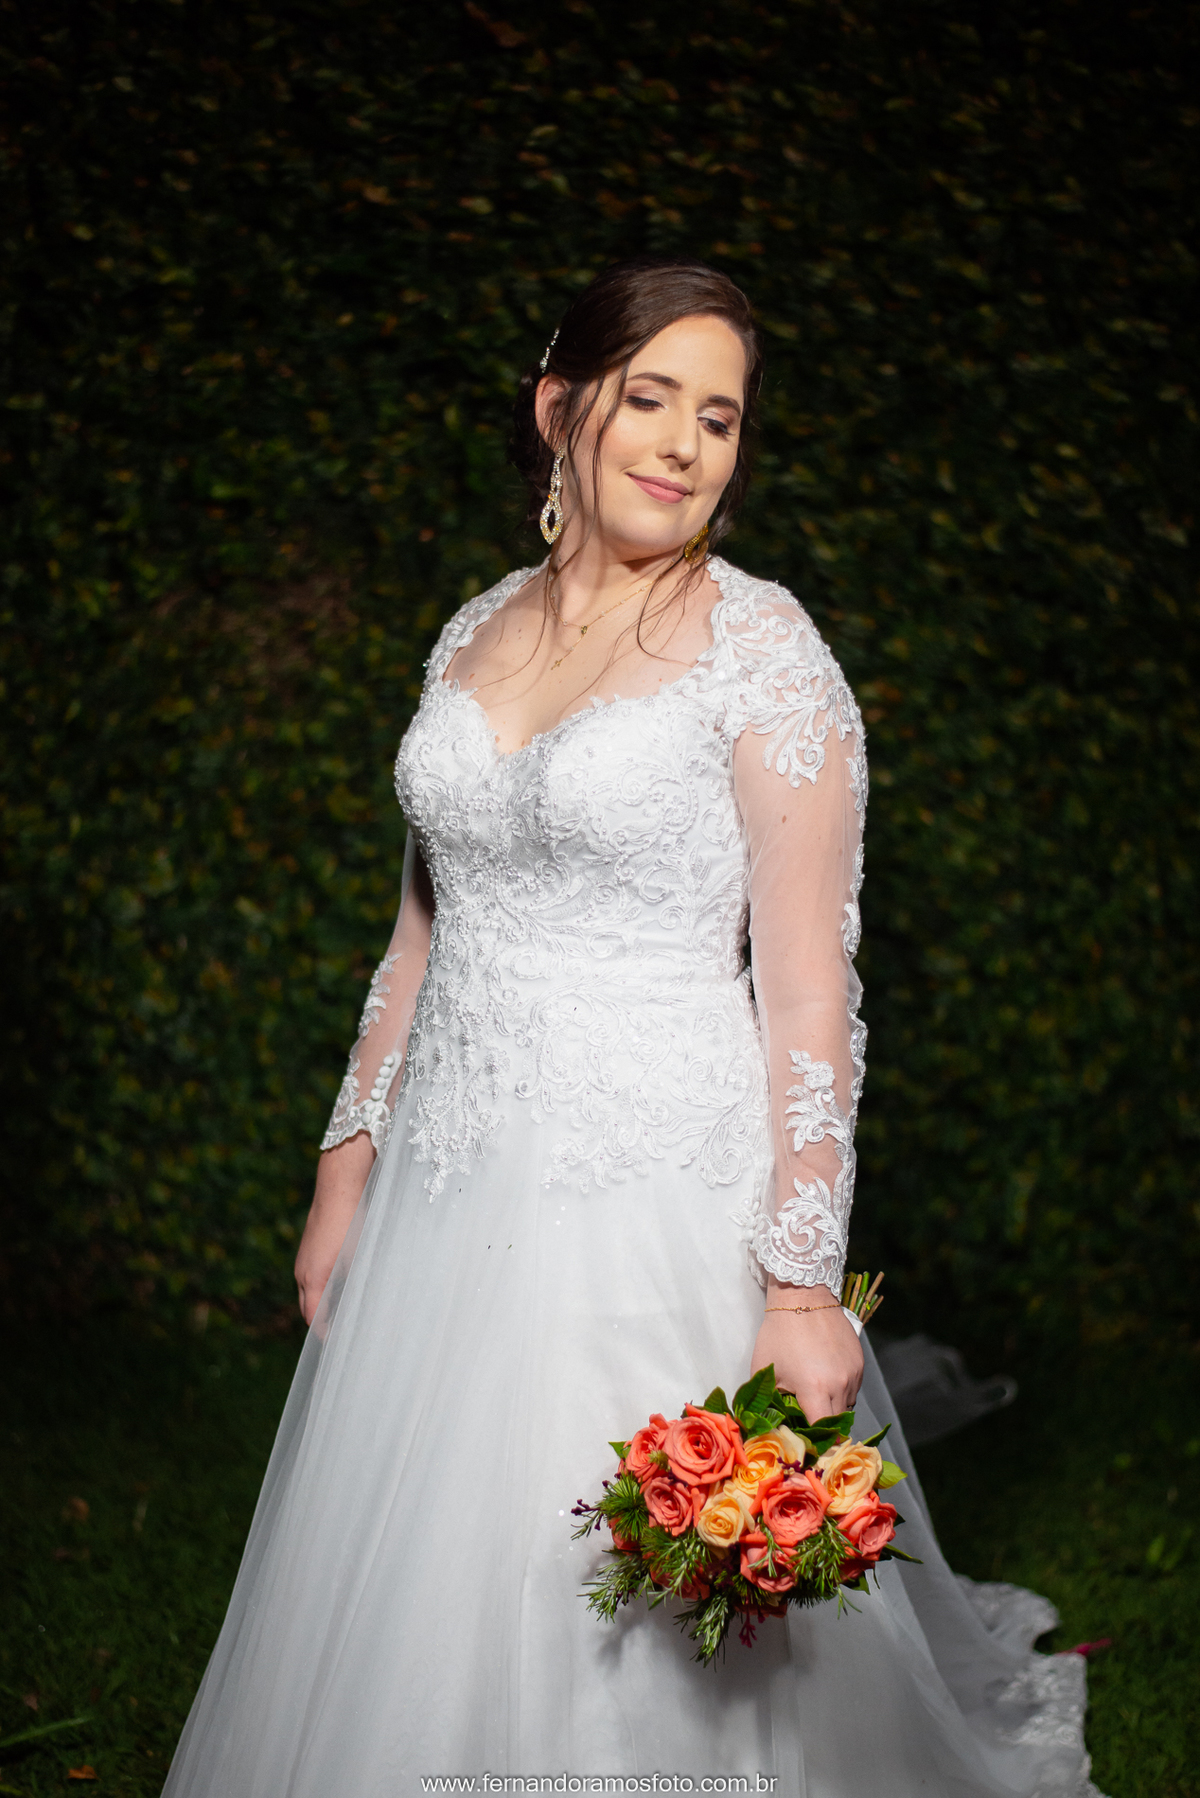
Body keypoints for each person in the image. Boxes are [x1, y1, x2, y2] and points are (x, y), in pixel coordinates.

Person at [163, 258, 1101, 1797]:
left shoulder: (767, 652)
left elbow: (811, 988)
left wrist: (803, 1284)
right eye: (649, 397)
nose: (682, 442)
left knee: (642, 1591)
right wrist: (349, 1155)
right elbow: (425, 923)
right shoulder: (475, 626)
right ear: (560, 410)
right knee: (430, 1554)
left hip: (651, 1173)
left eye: (718, 414)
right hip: (450, 1184)